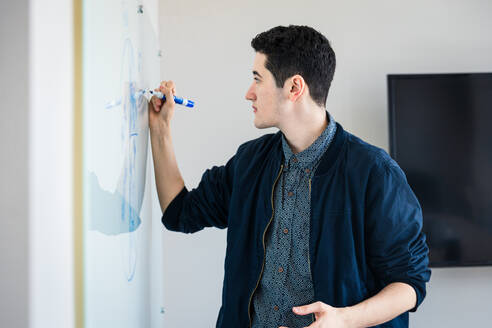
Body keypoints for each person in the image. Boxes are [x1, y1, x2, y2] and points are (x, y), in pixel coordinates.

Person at [148, 25, 431, 328]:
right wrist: (160, 130)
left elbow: (409, 284)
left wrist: (342, 320)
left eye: (258, 78)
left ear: (295, 87)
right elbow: (179, 213)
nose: (248, 93)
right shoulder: (249, 163)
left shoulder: (375, 173)